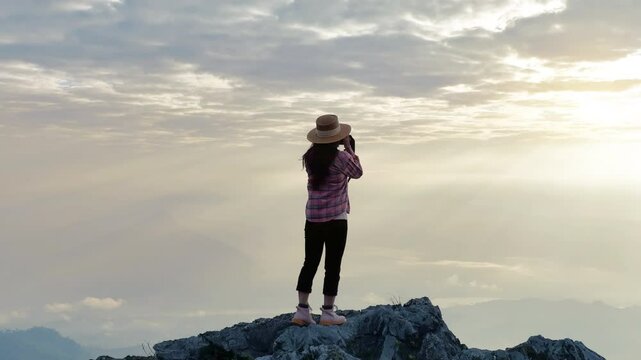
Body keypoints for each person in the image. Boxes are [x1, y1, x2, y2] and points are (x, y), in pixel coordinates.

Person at [291, 114, 363, 326]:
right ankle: (328, 313)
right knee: (332, 265)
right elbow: (357, 172)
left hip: (313, 218)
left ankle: (302, 312)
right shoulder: (341, 158)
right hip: (336, 219)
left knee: (309, 262)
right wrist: (349, 148)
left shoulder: (310, 157)